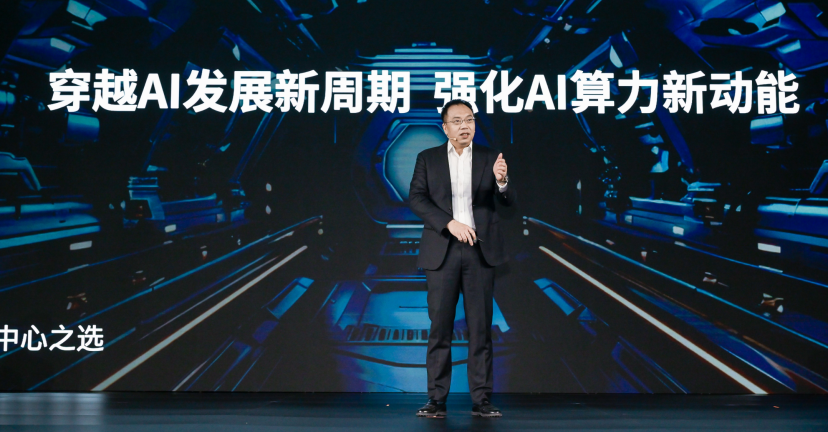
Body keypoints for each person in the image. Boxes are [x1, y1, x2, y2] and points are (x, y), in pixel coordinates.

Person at [409, 99, 516, 418]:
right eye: (456, 121)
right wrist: (449, 223)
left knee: (480, 328)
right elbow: (417, 198)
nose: (464, 125)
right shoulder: (427, 158)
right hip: (442, 249)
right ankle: (436, 399)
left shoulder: (490, 157)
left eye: (469, 119)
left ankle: (482, 399)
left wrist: (502, 183)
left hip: (479, 251)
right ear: (445, 128)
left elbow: (508, 203)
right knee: (439, 328)